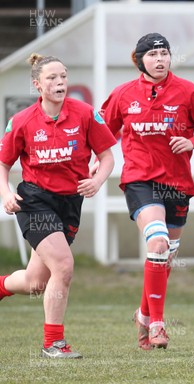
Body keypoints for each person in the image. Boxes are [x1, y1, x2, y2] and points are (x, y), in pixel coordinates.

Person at [100, 33, 194, 350]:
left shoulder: (189, 91)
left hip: (178, 184)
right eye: (153, 54)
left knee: (164, 257)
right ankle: (157, 324)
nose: (160, 59)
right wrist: (94, 164)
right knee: (157, 241)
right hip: (140, 180)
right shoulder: (123, 94)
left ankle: (142, 314)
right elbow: (101, 133)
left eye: (164, 53)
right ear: (139, 59)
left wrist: (192, 141)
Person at [0, 53, 116, 359]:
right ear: (37, 85)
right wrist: (6, 193)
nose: (60, 82)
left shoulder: (86, 114)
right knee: (63, 266)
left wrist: (98, 180)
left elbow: (107, 157)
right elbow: (3, 163)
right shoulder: (23, 121)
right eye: (52, 78)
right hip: (35, 201)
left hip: (69, 203)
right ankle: (53, 343)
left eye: (63, 76)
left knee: (36, 282)